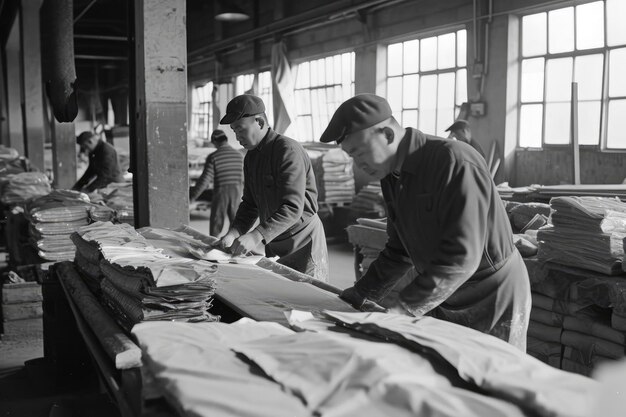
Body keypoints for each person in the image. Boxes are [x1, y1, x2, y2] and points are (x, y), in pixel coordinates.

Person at [320, 94, 531, 350]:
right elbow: (399, 250)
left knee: (489, 377)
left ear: (387, 134)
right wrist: (362, 292)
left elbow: (462, 257)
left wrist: (403, 309)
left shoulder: (453, 161)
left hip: (490, 293)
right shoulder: (392, 175)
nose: (358, 166)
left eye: (359, 153)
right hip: (444, 291)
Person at [218, 94, 329, 282]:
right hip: (275, 240)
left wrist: (256, 235)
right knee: (279, 297)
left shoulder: (287, 151)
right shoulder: (251, 157)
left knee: (308, 300)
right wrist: (234, 232)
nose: (237, 138)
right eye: (234, 131)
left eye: (240, 130)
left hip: (303, 240)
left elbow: (293, 208)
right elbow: (250, 204)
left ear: (259, 122)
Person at [190, 129, 244, 238]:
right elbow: (244, 177)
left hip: (221, 192)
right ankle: (234, 246)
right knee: (237, 223)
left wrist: (193, 196)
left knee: (216, 222)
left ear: (214, 141)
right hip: (237, 191)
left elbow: (205, 180)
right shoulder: (239, 155)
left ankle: (213, 246)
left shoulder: (213, 157)